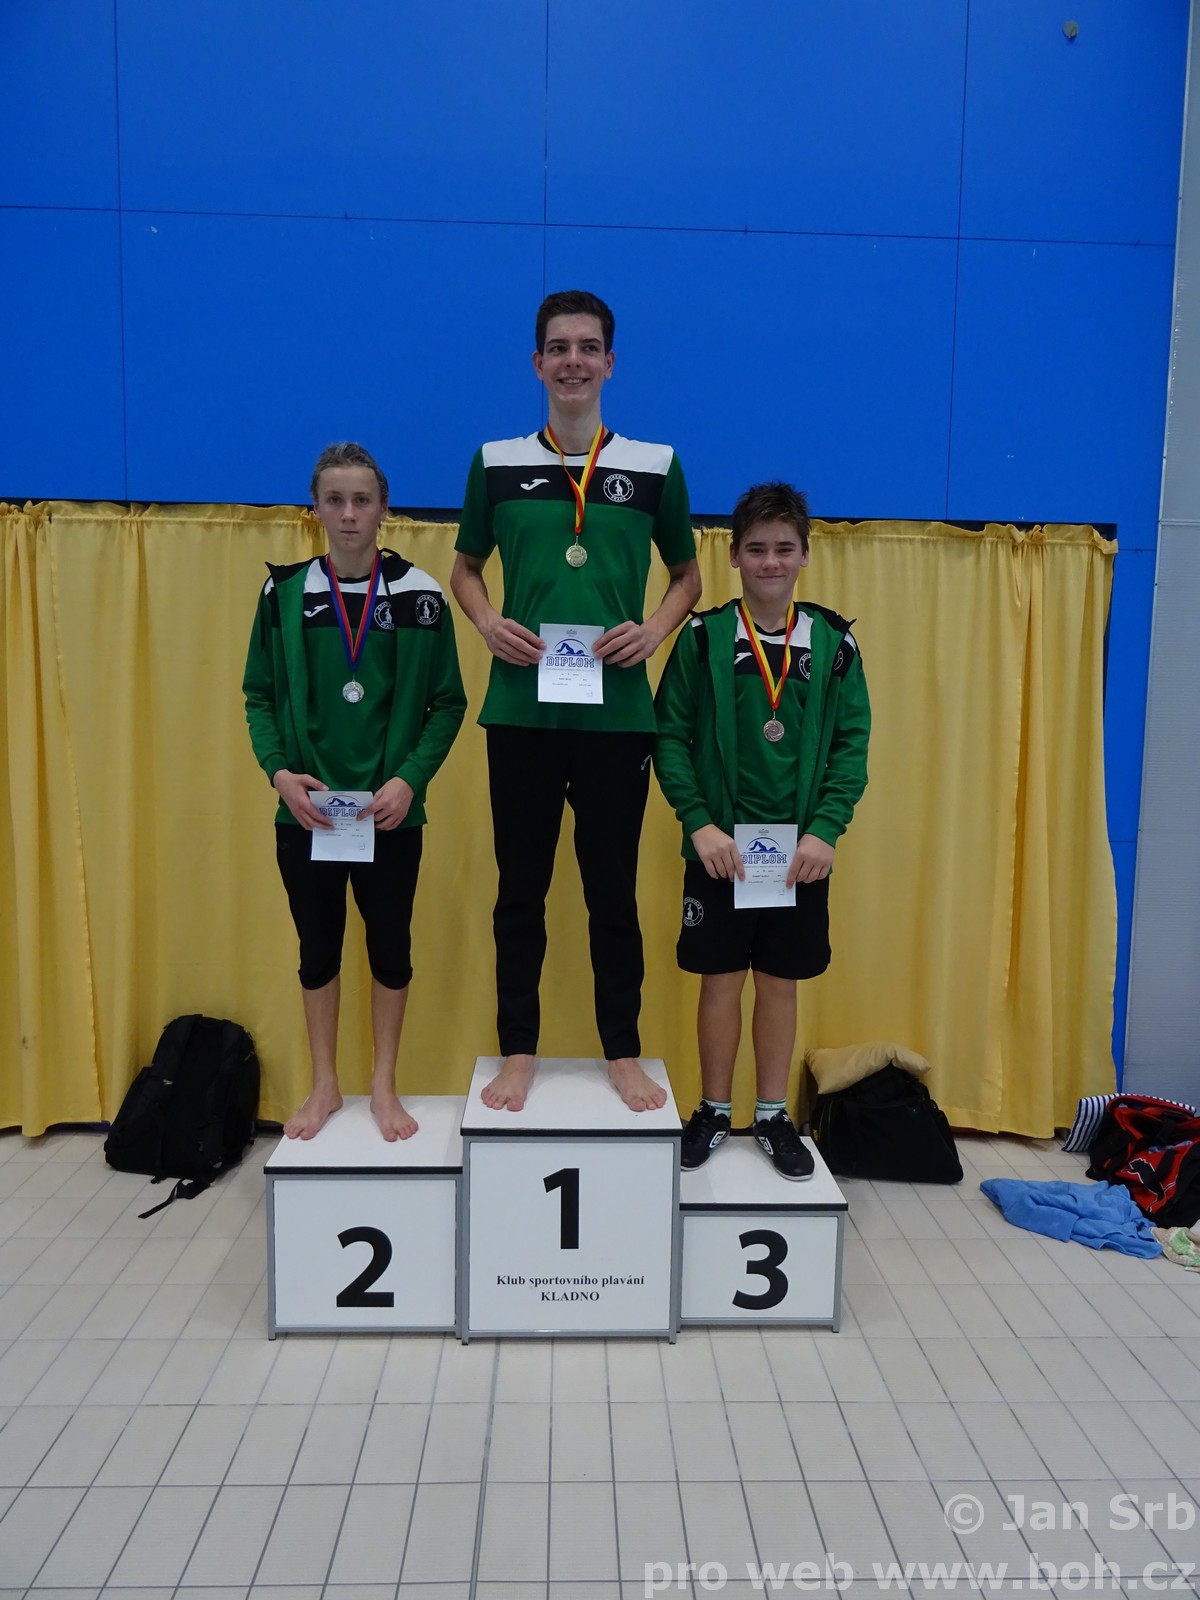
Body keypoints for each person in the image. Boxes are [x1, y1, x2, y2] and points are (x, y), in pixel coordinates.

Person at [451, 290, 701, 1112]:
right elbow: (464, 570)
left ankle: (621, 1052)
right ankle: (518, 1051)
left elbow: (689, 578)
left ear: (610, 363)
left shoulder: (655, 465)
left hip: (616, 718)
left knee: (612, 896)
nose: (573, 362)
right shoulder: (494, 461)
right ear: (537, 363)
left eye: (588, 347)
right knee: (519, 894)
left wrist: (654, 631)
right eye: (558, 348)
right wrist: (487, 622)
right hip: (521, 715)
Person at [244, 442, 465, 1141]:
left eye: (361, 501)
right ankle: (325, 1085)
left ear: (383, 509)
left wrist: (409, 780)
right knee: (318, 950)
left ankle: (384, 1085)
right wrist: (280, 773)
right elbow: (258, 695)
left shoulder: (421, 596)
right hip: (307, 816)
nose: (348, 514)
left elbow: (448, 703)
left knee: (391, 949)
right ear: (314, 509)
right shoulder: (283, 595)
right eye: (334, 500)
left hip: (389, 816)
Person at [653, 482, 870, 1177]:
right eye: (756, 549)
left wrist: (825, 830)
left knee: (779, 983)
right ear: (734, 556)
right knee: (719, 982)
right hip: (721, 853)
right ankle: (714, 1110)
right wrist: (699, 825)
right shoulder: (702, 638)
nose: (770, 561)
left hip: (798, 857)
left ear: (805, 554)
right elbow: (670, 737)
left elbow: (852, 747)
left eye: (783, 548)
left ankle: (773, 1116)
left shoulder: (833, 643)